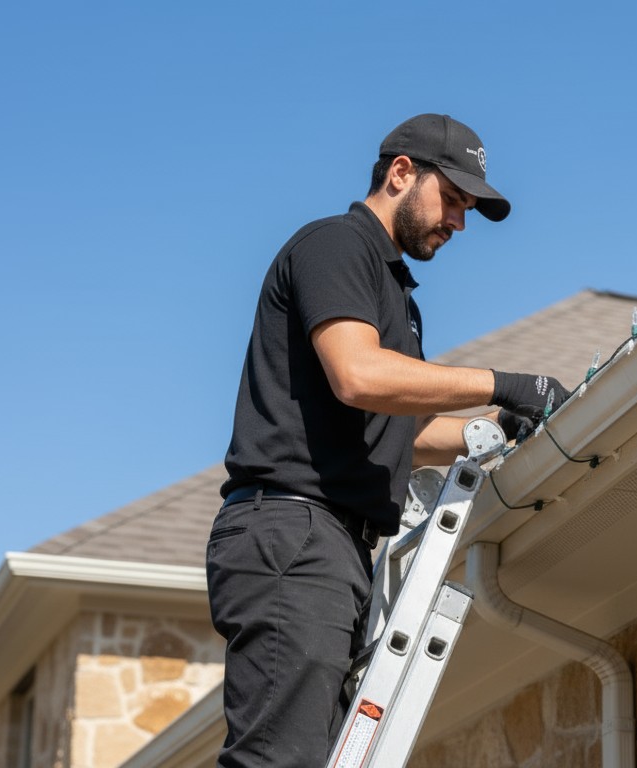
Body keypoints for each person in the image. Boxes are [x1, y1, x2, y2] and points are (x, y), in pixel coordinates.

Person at [206, 113, 569, 768]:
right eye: (452, 200)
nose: (458, 222)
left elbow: (403, 432)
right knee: (279, 762)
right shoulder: (337, 247)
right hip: (295, 531)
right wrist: (505, 381)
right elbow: (358, 375)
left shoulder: (392, 291)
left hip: (328, 542)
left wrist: (499, 428)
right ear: (402, 172)